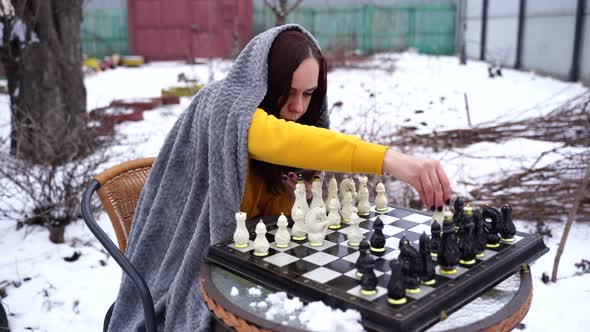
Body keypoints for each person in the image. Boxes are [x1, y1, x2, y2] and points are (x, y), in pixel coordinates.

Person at [107, 25, 451, 332]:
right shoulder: (224, 105)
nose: (298, 107)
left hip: (256, 268)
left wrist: (296, 196)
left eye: (308, 93)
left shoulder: (290, 128)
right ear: (264, 80)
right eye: (288, 91)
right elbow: (278, 139)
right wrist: (392, 160)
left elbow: (273, 209)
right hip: (197, 276)